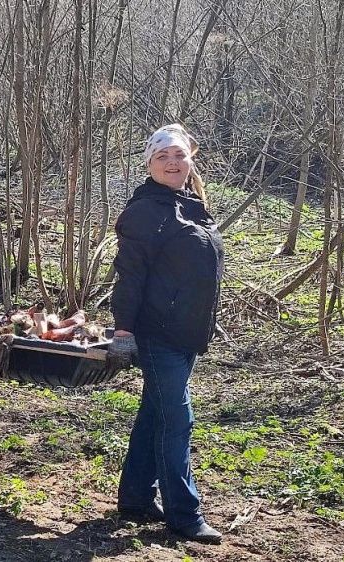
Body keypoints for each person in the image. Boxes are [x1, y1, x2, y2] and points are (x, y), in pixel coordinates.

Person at [106, 123, 224, 544]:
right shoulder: (145, 211)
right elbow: (130, 277)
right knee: (177, 418)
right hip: (158, 333)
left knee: (156, 413)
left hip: (186, 331)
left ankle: (136, 498)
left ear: (191, 159)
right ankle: (185, 515)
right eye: (163, 157)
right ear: (149, 164)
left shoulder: (190, 204)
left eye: (179, 155)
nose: (172, 163)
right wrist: (123, 331)